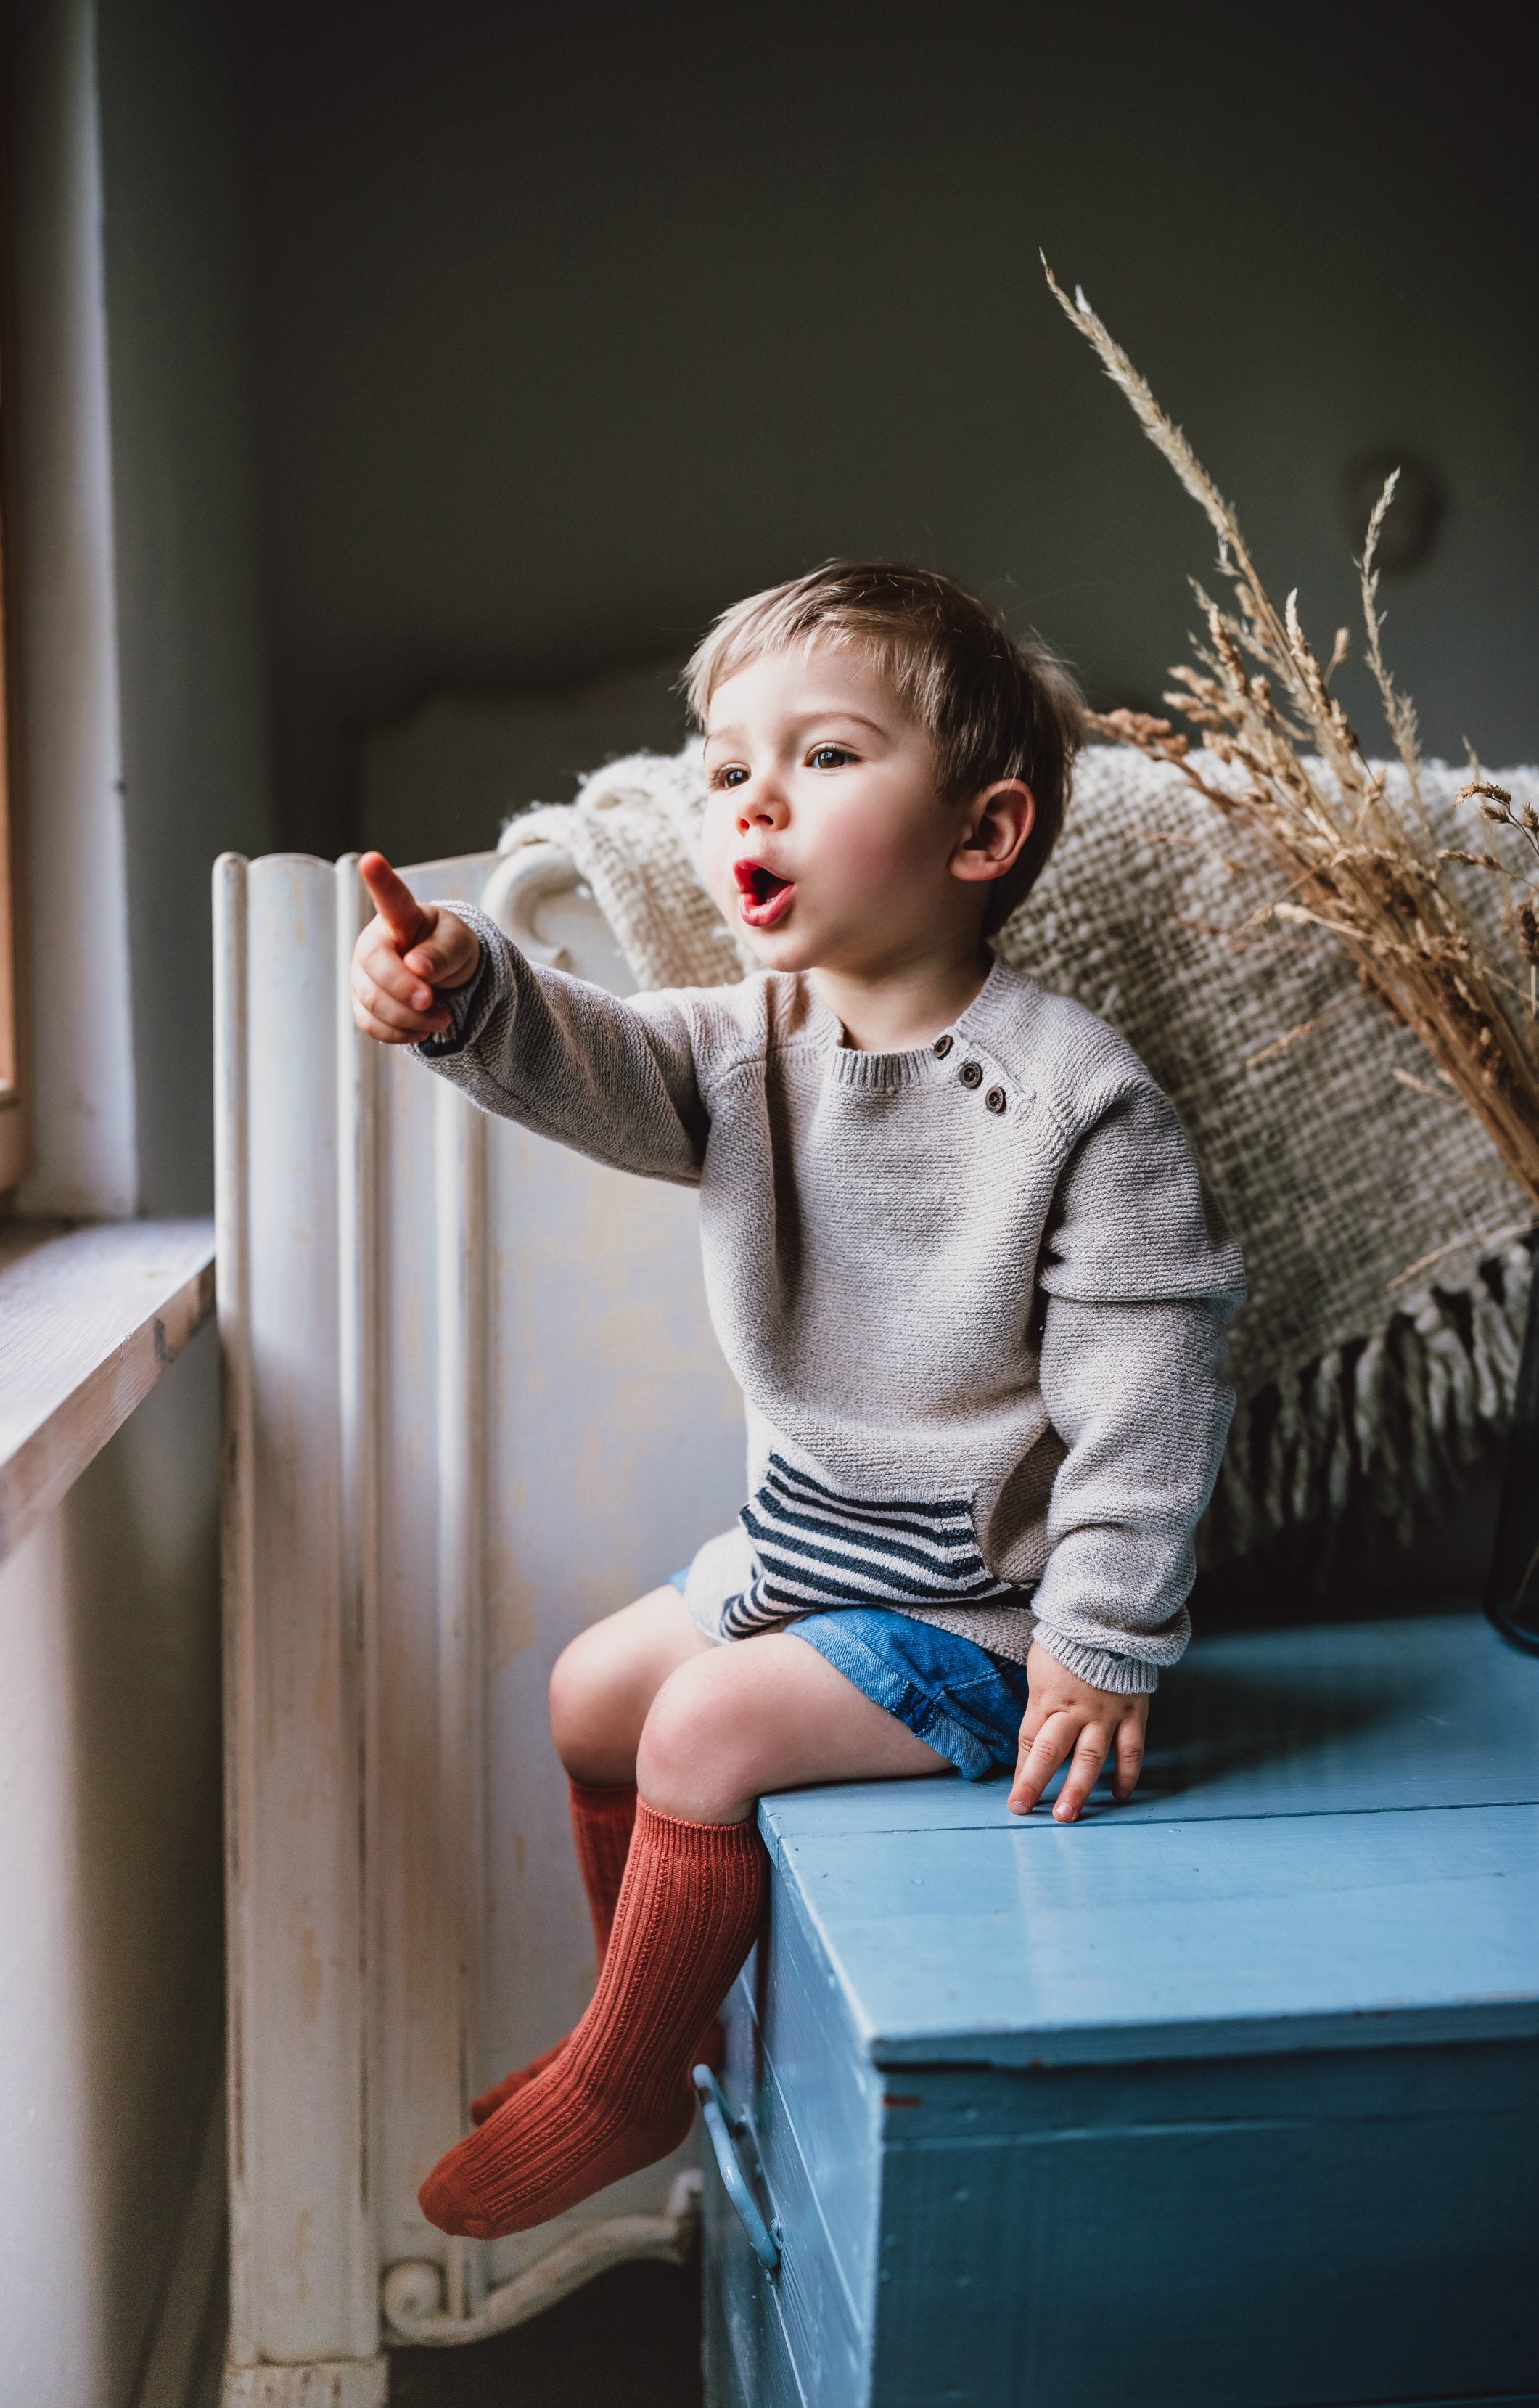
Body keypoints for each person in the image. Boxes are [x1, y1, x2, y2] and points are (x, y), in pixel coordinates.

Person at [348, 561, 1244, 2240]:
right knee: (591, 1693)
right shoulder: (742, 1042)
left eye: (822, 756)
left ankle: (622, 2090)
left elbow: (1150, 1384)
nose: (751, 800)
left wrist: (1100, 1639)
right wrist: (466, 991)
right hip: (800, 1565)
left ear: (980, 833)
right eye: (724, 768)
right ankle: (654, 2030)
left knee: (698, 1729)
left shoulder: (1076, 1099)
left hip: (976, 1621)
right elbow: (593, 1058)